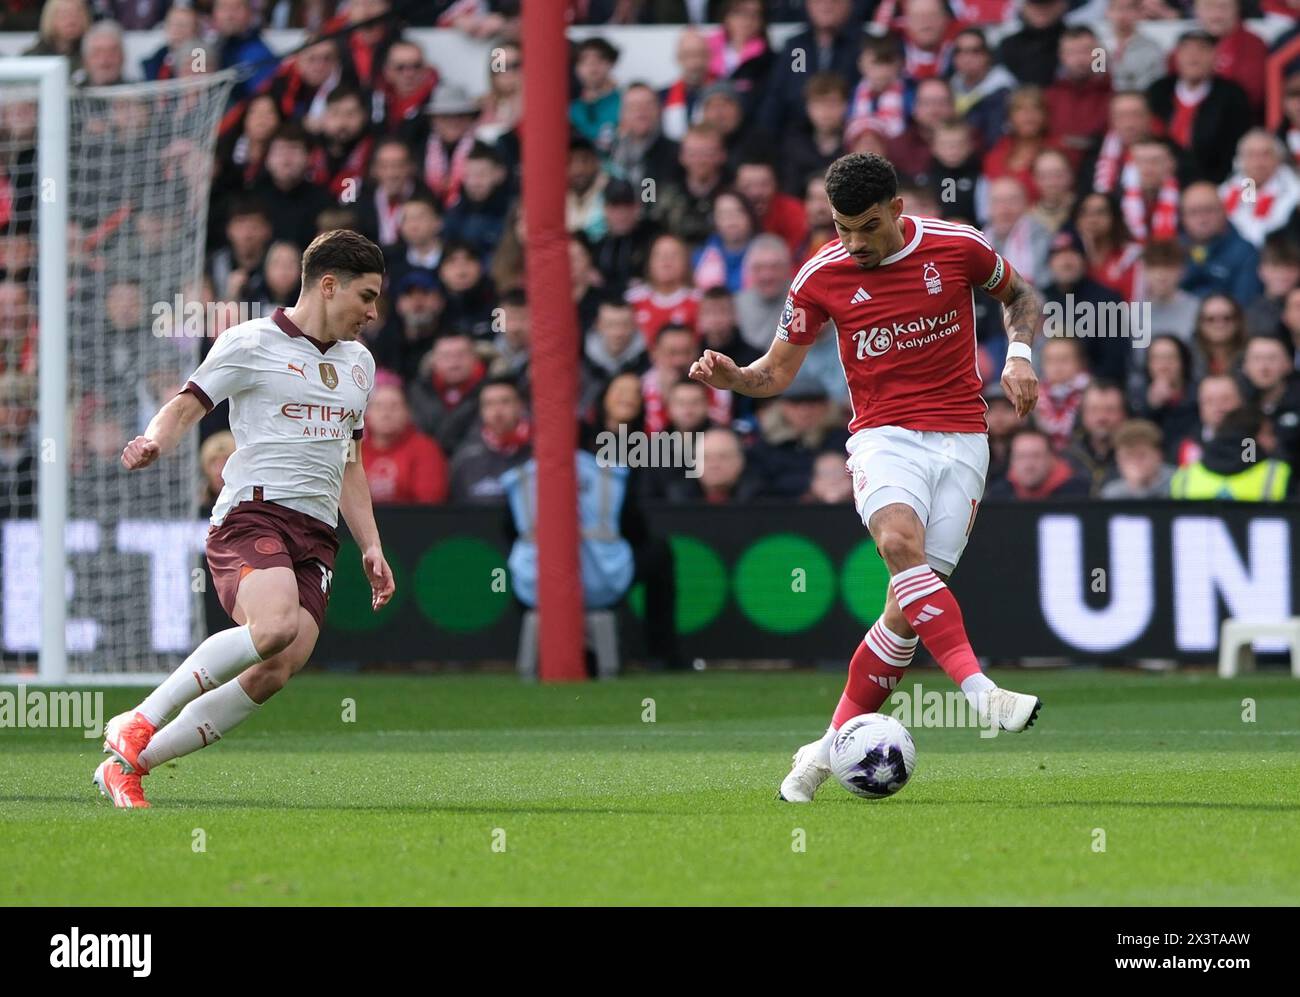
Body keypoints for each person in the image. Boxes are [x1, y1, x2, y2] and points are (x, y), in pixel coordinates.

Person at [688, 152, 1046, 804]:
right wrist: (734, 378)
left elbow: (1021, 294)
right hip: (884, 438)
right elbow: (776, 372)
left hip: (964, 439)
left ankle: (820, 755)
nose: (854, 242)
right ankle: (980, 691)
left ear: (898, 212)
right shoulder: (820, 275)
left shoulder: (956, 246)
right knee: (897, 545)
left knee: (905, 613)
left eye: (867, 227)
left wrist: (1019, 356)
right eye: (842, 227)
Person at [101, 230, 395, 808]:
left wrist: (371, 544)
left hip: (318, 533)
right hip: (253, 513)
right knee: (276, 626)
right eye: (366, 295)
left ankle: (129, 764)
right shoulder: (251, 341)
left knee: (275, 667)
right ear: (328, 285)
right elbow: (187, 404)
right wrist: (154, 441)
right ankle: (139, 717)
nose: (372, 311)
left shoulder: (360, 364)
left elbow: (350, 461)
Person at [1099, 419, 1175, 498]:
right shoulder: (1111, 493)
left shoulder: (1178, 483)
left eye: (1141, 455)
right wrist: (1136, 486)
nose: (1135, 462)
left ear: (1159, 455)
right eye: (1127, 457)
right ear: (1118, 460)